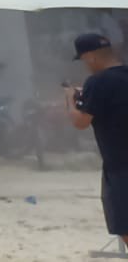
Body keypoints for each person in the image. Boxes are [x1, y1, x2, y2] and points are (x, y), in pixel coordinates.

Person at [67, 32, 128, 244]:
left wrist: (70, 101)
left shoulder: (98, 81)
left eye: (84, 60)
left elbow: (81, 122)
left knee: (125, 225)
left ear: (91, 56)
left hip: (121, 165)